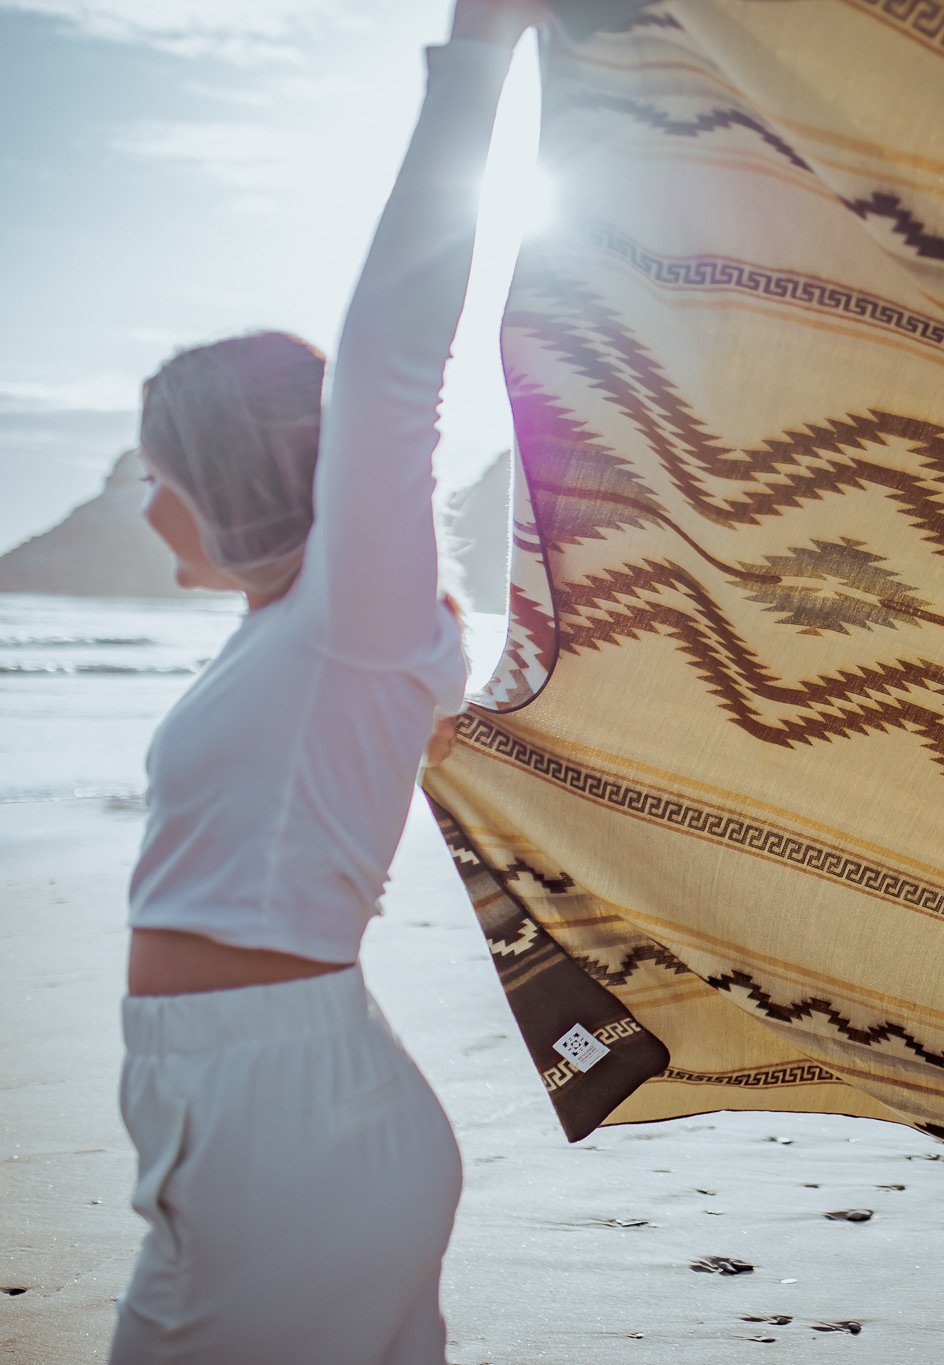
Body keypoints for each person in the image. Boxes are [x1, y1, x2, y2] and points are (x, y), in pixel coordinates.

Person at [111, 2, 543, 1359]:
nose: (144, 508)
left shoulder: (351, 621)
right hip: (259, 1123)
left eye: (155, 473)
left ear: (224, 475)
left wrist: (473, 60)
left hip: (281, 1130)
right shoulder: (289, 632)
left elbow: (392, 368)